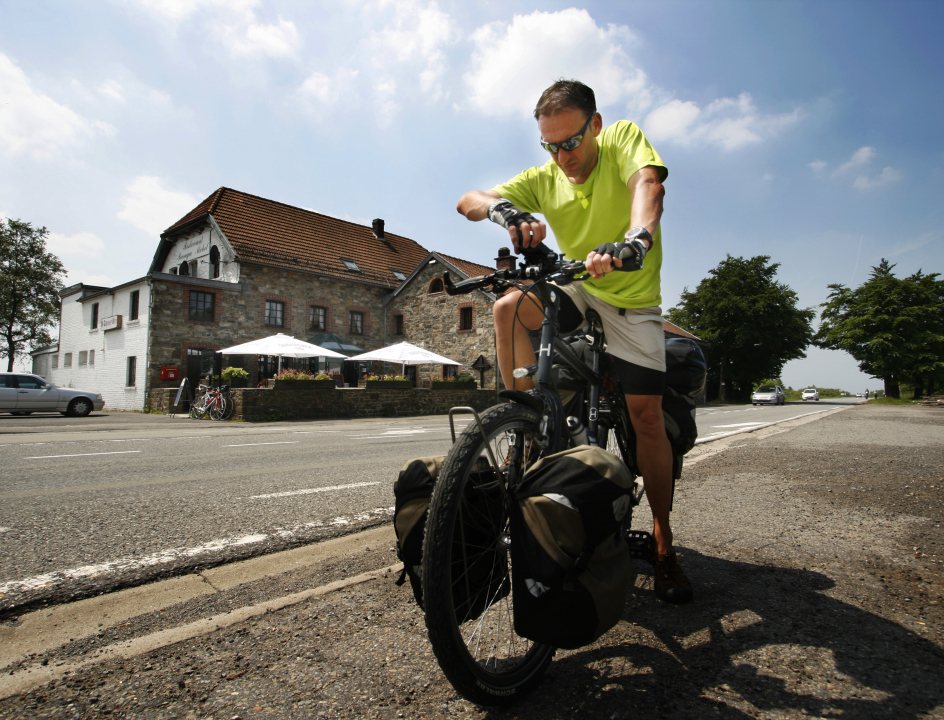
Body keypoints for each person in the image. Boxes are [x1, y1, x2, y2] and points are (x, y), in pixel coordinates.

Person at [456, 78, 692, 604]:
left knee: (646, 416)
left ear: (596, 126)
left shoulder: (623, 139)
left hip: (630, 294)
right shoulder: (545, 176)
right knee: (508, 307)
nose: (563, 156)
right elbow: (469, 199)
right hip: (579, 284)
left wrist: (637, 238)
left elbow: (648, 186)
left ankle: (663, 536)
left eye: (572, 141)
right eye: (551, 145)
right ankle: (529, 420)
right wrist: (508, 214)